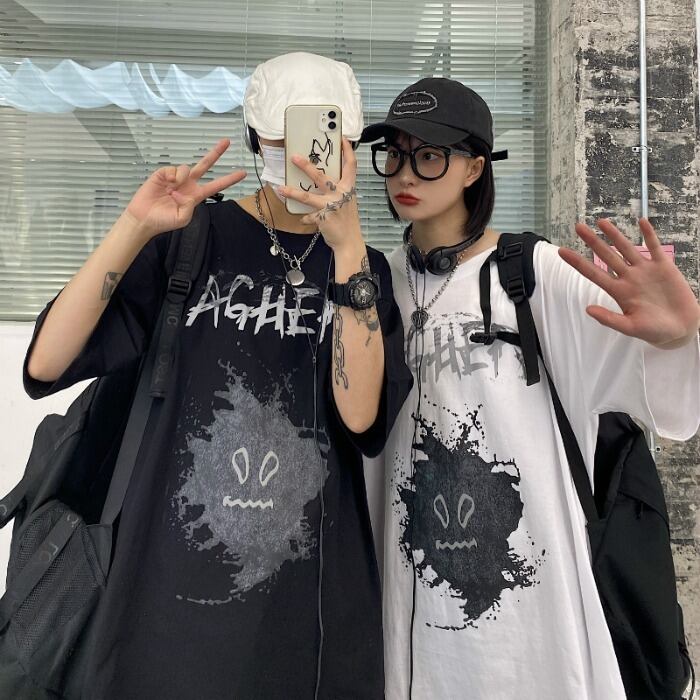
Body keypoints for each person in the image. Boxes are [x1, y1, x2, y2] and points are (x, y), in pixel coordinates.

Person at [24, 52, 412, 699]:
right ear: (258, 141)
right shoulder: (190, 238)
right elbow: (47, 362)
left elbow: (360, 415)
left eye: (328, 139)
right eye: (286, 141)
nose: (308, 158)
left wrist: (347, 249)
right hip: (162, 606)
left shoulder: (364, 269)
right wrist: (135, 227)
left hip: (308, 619)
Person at [359, 76, 700, 699]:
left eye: (429, 155)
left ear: (474, 168)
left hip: (530, 623)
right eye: (395, 155)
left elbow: (669, 405)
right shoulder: (375, 286)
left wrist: (676, 338)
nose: (405, 174)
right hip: (413, 608)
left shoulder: (534, 274)